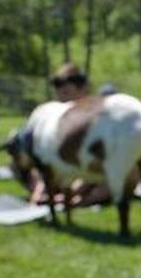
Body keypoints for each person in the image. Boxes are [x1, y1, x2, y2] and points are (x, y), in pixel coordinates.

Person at [26, 63, 111, 208]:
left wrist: (76, 188)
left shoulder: (96, 112)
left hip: (90, 173)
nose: (62, 87)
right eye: (58, 83)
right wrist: (40, 187)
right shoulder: (50, 116)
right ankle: (52, 197)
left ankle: (72, 201)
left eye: (70, 81)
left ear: (82, 85)